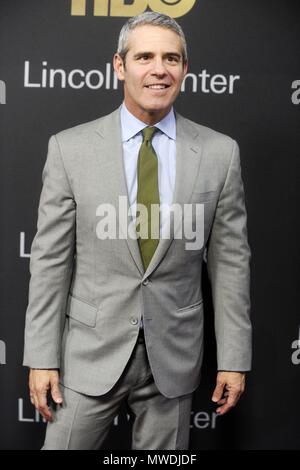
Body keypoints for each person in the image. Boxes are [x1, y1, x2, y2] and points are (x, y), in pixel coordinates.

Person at [23, 12, 252, 450]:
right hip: (88, 354)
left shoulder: (220, 154)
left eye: (171, 58)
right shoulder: (69, 149)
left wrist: (234, 359)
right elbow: (50, 262)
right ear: (120, 66)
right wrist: (41, 357)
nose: (159, 69)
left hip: (174, 356)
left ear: (185, 69)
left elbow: (231, 265)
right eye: (144, 56)